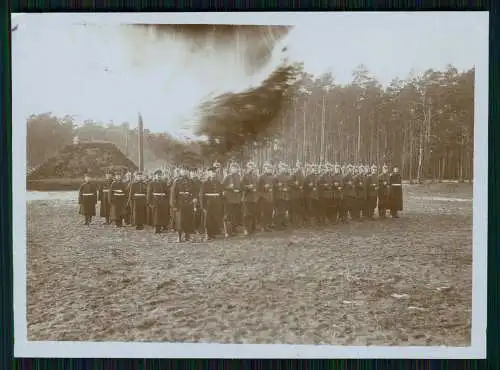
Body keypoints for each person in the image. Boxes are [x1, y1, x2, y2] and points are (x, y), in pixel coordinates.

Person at [170, 167, 196, 242]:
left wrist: (194, 198)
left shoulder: (191, 181)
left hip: (189, 203)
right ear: (180, 172)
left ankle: (187, 236)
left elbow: (194, 191)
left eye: (186, 171)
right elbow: (173, 194)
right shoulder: (177, 181)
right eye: (183, 171)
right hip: (179, 204)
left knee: (188, 220)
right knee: (180, 221)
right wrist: (173, 205)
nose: (184, 172)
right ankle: (179, 236)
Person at [199, 167, 223, 240]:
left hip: (216, 203)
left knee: (214, 218)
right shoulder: (205, 183)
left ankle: (212, 233)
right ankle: (207, 234)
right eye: (211, 173)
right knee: (207, 219)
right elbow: (201, 195)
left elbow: (220, 193)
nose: (213, 174)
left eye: (214, 173)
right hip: (208, 203)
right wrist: (203, 206)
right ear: (208, 174)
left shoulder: (218, 182)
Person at [222, 162, 243, 238]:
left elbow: (241, 187)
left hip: (236, 199)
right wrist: (229, 187)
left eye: (236, 168)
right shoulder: (228, 177)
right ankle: (227, 231)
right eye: (233, 168)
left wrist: (239, 190)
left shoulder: (239, 177)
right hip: (229, 199)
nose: (235, 169)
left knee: (235, 215)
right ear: (231, 169)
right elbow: (222, 186)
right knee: (228, 215)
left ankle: (233, 230)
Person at [147, 169, 170, 234]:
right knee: (156, 216)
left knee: (162, 215)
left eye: (160, 175)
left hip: (163, 201)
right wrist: (149, 202)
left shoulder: (164, 183)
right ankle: (157, 228)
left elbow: (167, 193)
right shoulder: (152, 183)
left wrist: (167, 201)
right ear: (155, 176)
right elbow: (149, 193)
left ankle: (163, 226)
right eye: (157, 175)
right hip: (155, 201)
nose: (159, 176)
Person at [241, 161, 260, 235]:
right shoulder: (244, 176)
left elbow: (258, 186)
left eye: (252, 167)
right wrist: (248, 187)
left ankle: (252, 229)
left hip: (254, 198)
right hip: (247, 198)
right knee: (246, 214)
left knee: (253, 213)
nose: (251, 168)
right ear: (247, 168)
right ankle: (246, 229)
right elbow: (241, 186)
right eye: (249, 167)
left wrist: (257, 193)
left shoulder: (255, 176)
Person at [258, 162, 276, 231]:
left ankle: (268, 225)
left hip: (271, 197)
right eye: (267, 168)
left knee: (270, 212)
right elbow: (259, 188)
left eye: (270, 168)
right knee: (264, 213)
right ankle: (263, 226)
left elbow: (274, 187)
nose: (269, 169)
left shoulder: (273, 177)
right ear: (264, 169)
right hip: (264, 198)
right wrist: (264, 188)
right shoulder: (261, 177)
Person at [274, 162, 293, 230]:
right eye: (282, 168)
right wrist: (281, 188)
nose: (283, 169)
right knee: (280, 211)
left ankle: (283, 224)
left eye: (284, 168)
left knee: (284, 211)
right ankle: (278, 226)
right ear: (280, 168)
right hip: (279, 196)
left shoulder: (288, 177)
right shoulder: (277, 176)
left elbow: (290, 186)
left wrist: (287, 189)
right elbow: (274, 186)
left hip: (286, 196)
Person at [291, 160, 306, 226]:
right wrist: (297, 186)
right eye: (297, 166)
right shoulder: (294, 174)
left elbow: (303, 183)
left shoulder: (302, 174)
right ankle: (295, 222)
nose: (298, 167)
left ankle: (300, 222)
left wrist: (301, 187)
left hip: (301, 194)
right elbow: (292, 183)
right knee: (295, 208)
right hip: (295, 194)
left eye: (300, 166)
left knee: (300, 208)